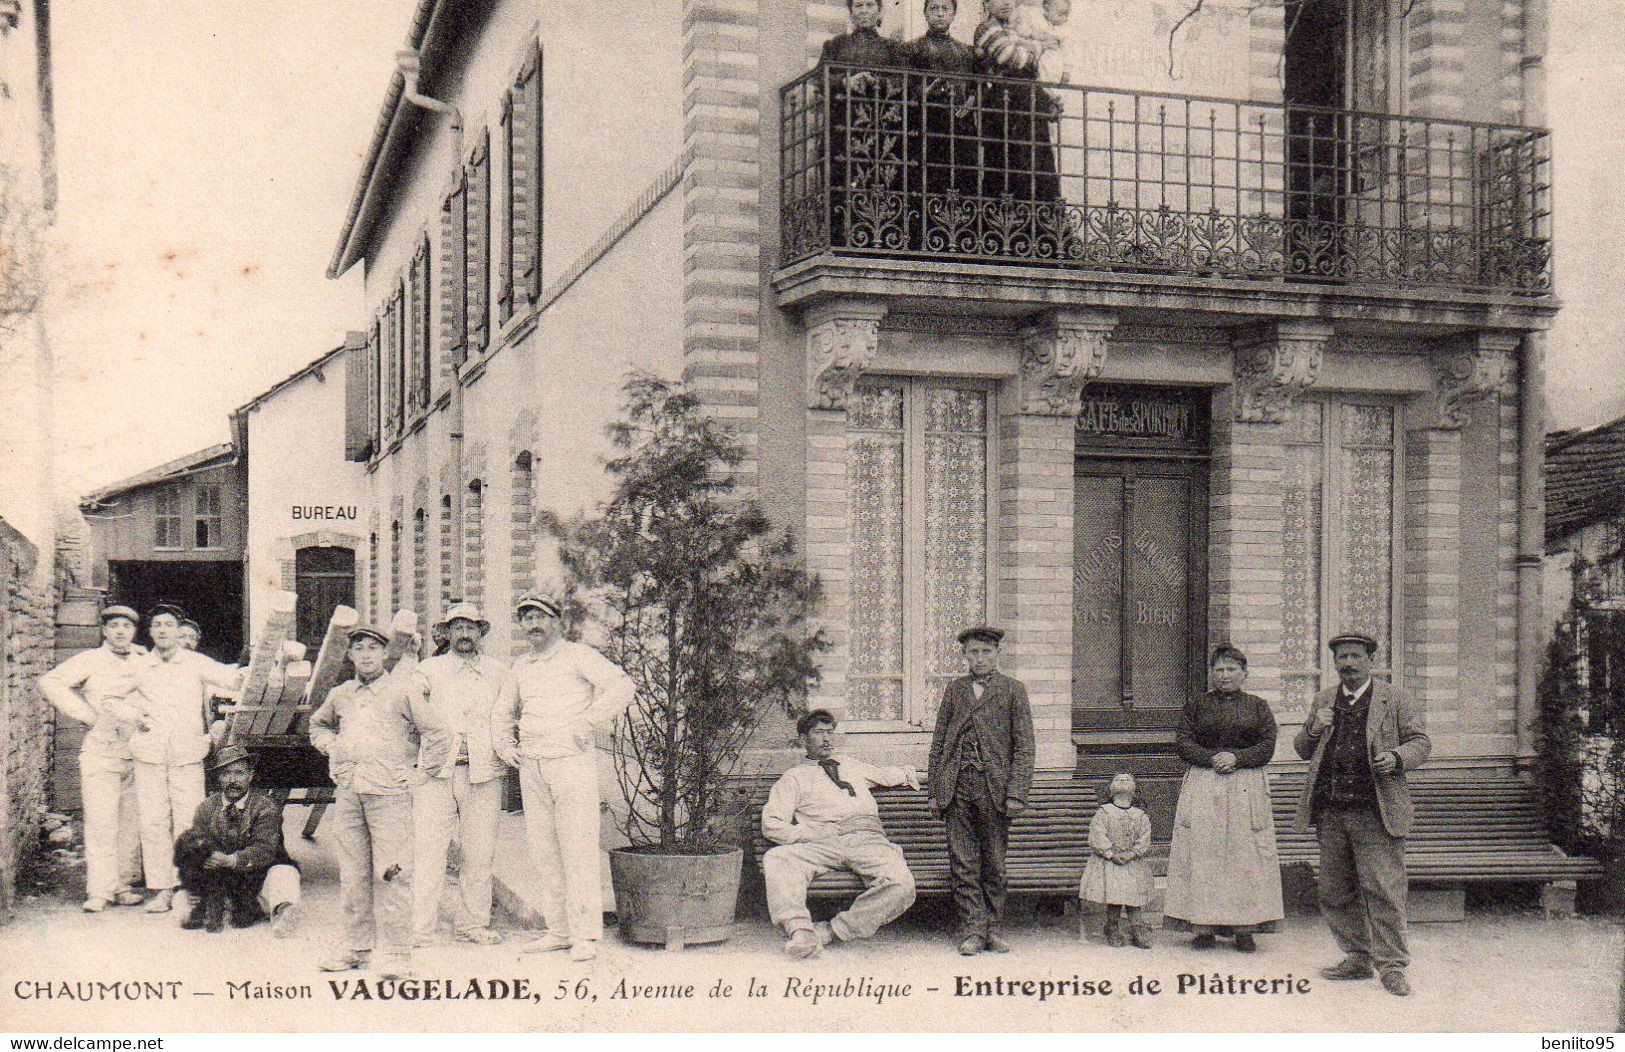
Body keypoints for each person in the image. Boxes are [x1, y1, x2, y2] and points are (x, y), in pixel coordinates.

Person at [492, 593, 634, 963]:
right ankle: (558, 931)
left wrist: (588, 721)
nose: (533, 625)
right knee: (543, 851)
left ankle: (586, 936)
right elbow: (502, 713)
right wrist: (507, 749)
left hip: (572, 763)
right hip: (534, 765)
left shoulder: (577, 655)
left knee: (578, 848)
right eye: (526, 619)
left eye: (539, 617)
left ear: (556, 621)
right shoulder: (521, 666)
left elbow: (621, 685)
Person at [1293, 630, 1431, 997]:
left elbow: (1421, 742)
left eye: (1355, 656)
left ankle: (1392, 966)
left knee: (1383, 889)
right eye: (1342, 657)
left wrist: (1398, 758)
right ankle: (1357, 956)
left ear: (1370, 660)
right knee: (1334, 889)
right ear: (1334, 662)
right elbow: (1303, 749)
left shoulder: (1394, 698)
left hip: (1375, 811)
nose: (1348, 663)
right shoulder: (1324, 699)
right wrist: (1313, 727)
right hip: (1332, 812)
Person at [310, 625, 452, 978]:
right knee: (354, 874)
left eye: (373, 648)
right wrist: (333, 747)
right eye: (359, 649)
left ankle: (398, 954)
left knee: (394, 874)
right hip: (350, 794)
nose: (366, 655)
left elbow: (439, 733)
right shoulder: (342, 693)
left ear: (385, 653)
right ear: (350, 655)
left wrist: (421, 774)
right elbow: (318, 725)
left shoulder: (401, 690)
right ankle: (356, 948)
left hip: (390, 796)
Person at [761, 709, 920, 958]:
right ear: (803, 739)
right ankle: (800, 931)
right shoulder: (794, 778)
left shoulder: (852, 765)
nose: (827, 739)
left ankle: (830, 931)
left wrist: (913, 773)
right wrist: (809, 832)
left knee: (901, 884)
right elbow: (771, 823)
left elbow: (890, 775)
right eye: (818, 733)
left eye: (830, 732)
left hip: (868, 840)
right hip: (824, 843)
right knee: (778, 858)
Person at [1163, 644, 1284, 952]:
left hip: (1245, 785)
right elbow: (1183, 741)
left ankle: (1245, 927)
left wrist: (1237, 758)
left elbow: (1268, 746)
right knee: (1204, 853)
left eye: (1232, 669)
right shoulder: (1198, 705)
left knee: (1244, 857)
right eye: (1219, 669)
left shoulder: (1258, 706)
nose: (1225, 675)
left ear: (1244, 674)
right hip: (1205, 782)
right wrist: (1210, 757)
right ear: (1211, 674)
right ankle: (1203, 927)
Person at [127, 603, 243, 914]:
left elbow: (235, 679)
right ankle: (162, 889)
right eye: (157, 625)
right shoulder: (139, 666)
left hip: (186, 753)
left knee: (189, 822)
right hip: (150, 753)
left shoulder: (195, 663)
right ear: (150, 632)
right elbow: (110, 696)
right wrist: (132, 715)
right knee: (153, 822)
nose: (163, 630)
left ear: (180, 631)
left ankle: (186, 887)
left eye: (169, 625)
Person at [927, 625, 1035, 955]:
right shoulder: (955, 690)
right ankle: (972, 930)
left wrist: (1016, 793)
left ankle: (993, 928)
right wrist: (936, 790)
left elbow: (1025, 748)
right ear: (965, 656)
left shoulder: (1013, 690)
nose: (979, 658)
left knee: (995, 864)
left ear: (997, 654)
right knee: (963, 862)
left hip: (995, 790)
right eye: (973, 652)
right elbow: (939, 744)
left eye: (986, 652)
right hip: (958, 787)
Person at [38, 604, 149, 912]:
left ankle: (124, 885)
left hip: (136, 750)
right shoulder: (90, 660)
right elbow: (49, 682)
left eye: (126, 627)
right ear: (104, 630)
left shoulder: (143, 660)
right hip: (101, 751)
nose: (120, 632)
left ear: (134, 631)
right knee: (102, 822)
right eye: (113, 626)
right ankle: (99, 891)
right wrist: (85, 715)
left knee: (131, 822)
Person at [410, 602, 508, 947]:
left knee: (480, 853)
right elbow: (407, 706)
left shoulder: (499, 672)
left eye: (471, 627)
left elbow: (511, 715)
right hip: (436, 773)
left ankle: (473, 925)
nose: (464, 634)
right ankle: (420, 928)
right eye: (457, 627)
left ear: (481, 632)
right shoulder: (428, 670)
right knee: (428, 850)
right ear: (446, 633)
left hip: (483, 773)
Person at [173, 744, 301, 936]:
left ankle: (282, 911)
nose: (232, 780)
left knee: (285, 872)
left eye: (239, 773)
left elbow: (265, 850)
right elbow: (195, 847)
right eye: (226, 774)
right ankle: (215, 905)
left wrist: (232, 860)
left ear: (250, 775)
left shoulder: (266, 808)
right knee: (182, 905)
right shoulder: (206, 808)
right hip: (222, 880)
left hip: (259, 876)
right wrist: (195, 874)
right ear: (219, 778)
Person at [818, 0, 906, 247]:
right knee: (841, 181)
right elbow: (820, 81)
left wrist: (876, 82)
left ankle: (879, 239)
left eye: (870, 5)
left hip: (881, 131)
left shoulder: (891, 49)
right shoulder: (835, 46)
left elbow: (902, 83)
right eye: (859, 6)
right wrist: (847, 82)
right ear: (851, 11)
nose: (864, 11)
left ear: (879, 11)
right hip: (844, 127)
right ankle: (840, 239)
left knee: (882, 180)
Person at [972, 0, 1061, 206]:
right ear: (986, 3)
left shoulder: (1016, 31)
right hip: (1005, 110)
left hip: (1027, 110)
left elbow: (1034, 67)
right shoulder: (986, 28)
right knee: (1009, 169)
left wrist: (1048, 99)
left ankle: (1041, 232)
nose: (1005, 3)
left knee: (1038, 167)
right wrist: (1039, 46)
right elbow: (1012, 57)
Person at [903, 0, 980, 223]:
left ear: (953, 14)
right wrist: (925, 91)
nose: (939, 14)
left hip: (961, 124)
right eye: (934, 9)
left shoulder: (966, 52)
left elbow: (976, 85)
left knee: (963, 174)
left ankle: (963, 230)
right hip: (929, 123)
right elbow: (906, 86)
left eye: (945, 9)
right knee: (930, 175)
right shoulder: (913, 48)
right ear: (925, 14)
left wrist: (971, 101)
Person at [1079, 772, 1152, 948]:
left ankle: (1136, 929)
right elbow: (1097, 834)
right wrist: (1110, 853)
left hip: (1132, 862)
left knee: (1134, 897)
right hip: (1111, 862)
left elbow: (1144, 837)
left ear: (1135, 791)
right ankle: (1112, 926)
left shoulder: (1140, 816)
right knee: (1115, 896)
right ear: (1110, 790)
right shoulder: (1104, 813)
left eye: (1127, 779)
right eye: (1117, 779)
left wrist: (1133, 852)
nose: (1122, 781)